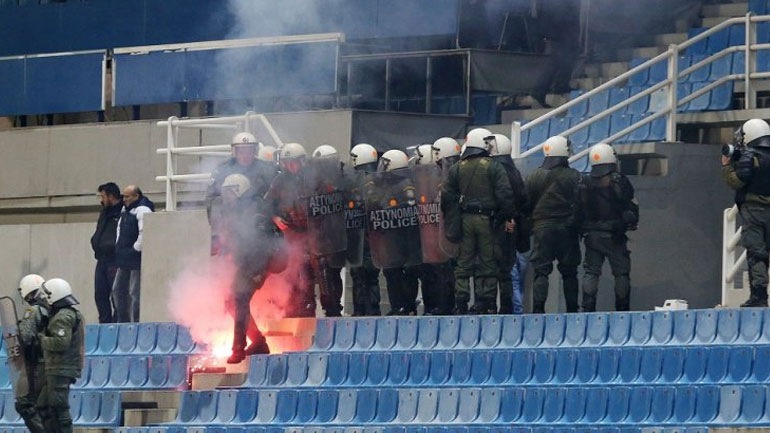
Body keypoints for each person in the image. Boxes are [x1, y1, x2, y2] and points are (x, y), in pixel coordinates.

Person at [441, 128, 515, 314]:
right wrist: (505, 216)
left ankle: (461, 302)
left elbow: (447, 197)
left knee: (464, 263)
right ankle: (487, 302)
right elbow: (505, 194)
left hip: (465, 219)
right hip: (487, 220)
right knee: (487, 262)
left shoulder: (457, 167)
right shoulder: (493, 166)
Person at [218, 173, 277, 363]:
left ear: (239, 190)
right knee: (231, 303)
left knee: (240, 299)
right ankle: (258, 342)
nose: (226, 197)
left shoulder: (255, 211)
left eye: (229, 192)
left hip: (259, 262)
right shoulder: (236, 211)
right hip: (247, 262)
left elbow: (263, 245)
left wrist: (258, 272)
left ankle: (238, 349)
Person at [578, 143, 638, 312]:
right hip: (615, 234)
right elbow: (631, 206)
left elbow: (579, 209)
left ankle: (587, 309)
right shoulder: (620, 180)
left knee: (591, 273)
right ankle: (622, 309)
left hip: (591, 235)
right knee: (621, 273)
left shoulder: (584, 181)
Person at [525, 135, 582, 313]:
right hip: (567, 229)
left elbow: (526, 205)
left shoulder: (534, 176)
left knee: (541, 272)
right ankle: (572, 311)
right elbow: (581, 203)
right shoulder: (575, 176)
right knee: (570, 273)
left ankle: (538, 311)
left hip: (542, 229)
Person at [366, 150, 423, 315]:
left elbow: (411, 206)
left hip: (404, 237)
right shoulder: (382, 185)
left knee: (407, 272)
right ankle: (396, 306)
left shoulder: (406, 184)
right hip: (390, 237)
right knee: (391, 272)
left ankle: (407, 305)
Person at [722, 118, 770, 307]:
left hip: (754, 210)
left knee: (756, 253)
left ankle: (759, 296)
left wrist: (727, 166)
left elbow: (737, 182)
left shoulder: (750, 156)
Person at [207, 132, 278, 256]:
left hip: (258, 220)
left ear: (255, 151)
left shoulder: (267, 169)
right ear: (234, 152)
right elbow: (211, 198)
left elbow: (276, 194)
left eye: (249, 151)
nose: (246, 155)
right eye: (241, 151)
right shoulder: (222, 170)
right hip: (231, 221)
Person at [267, 142, 317, 317]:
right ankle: (293, 308)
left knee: (311, 270)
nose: (291, 166)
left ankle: (310, 307)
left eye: (294, 162)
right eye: (288, 163)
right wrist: (275, 218)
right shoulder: (279, 181)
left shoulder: (313, 178)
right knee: (292, 270)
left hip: (312, 232)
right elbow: (267, 205)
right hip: (291, 233)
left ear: (302, 161)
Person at [36, 278, 84, 433]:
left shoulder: (63, 316)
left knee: (59, 407)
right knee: (43, 405)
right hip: (56, 367)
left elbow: (61, 342)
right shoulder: (64, 314)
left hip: (61, 367)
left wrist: (41, 339)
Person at [489, 134, 529, 314]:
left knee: (508, 270)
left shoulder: (498, 171)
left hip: (504, 227)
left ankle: (514, 309)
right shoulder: (514, 171)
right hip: (517, 227)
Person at [308, 145, 346, 317]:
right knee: (322, 271)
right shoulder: (312, 181)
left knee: (334, 269)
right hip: (319, 232)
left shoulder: (343, 177)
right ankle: (327, 305)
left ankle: (335, 305)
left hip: (337, 231)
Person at [347, 143, 382, 316]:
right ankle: (372, 310)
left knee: (361, 275)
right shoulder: (377, 179)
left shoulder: (361, 182)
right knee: (370, 275)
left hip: (363, 235)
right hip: (374, 235)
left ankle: (362, 310)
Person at [113, 185, 154, 323]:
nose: (124, 199)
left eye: (127, 196)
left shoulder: (143, 210)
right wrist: (118, 247)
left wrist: (135, 249)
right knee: (117, 290)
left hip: (135, 259)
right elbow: (119, 229)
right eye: (123, 196)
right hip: (123, 257)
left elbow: (144, 233)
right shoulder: (125, 210)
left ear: (136, 196)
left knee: (134, 292)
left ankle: (136, 322)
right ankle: (122, 320)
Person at [15, 274, 48, 433]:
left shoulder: (32, 311)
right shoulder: (51, 309)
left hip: (36, 365)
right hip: (50, 362)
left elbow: (26, 337)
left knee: (24, 404)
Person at [90, 182, 122, 323]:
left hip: (114, 260)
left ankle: (116, 324)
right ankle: (104, 323)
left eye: (103, 196)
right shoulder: (104, 211)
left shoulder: (122, 211)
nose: (101, 200)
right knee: (100, 295)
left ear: (111, 196)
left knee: (116, 295)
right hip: (101, 259)